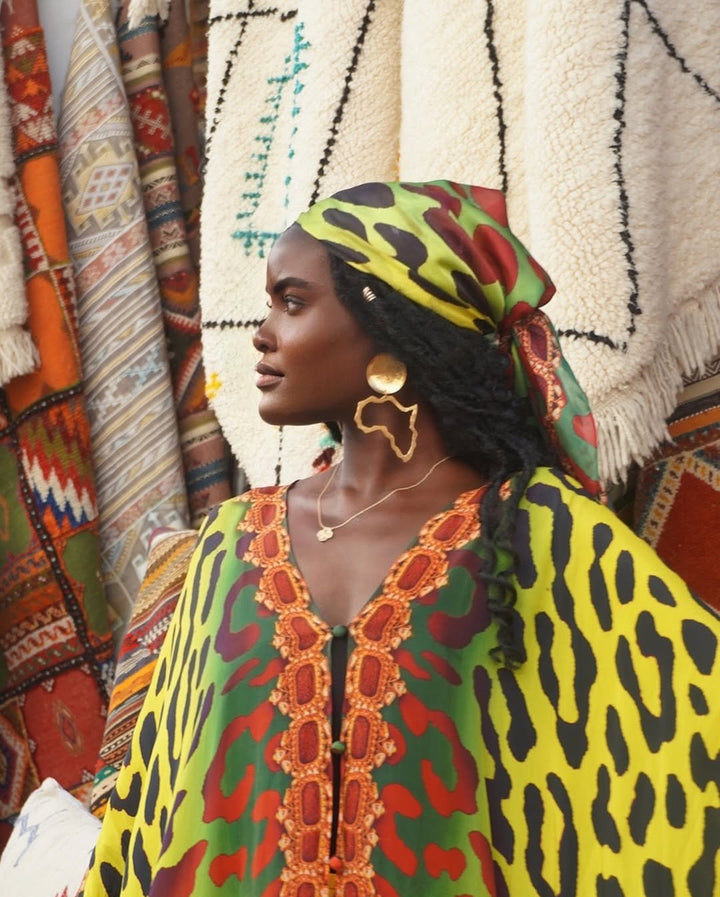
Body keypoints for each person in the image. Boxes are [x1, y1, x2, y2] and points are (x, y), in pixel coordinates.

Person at [78, 181, 720, 897]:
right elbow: (158, 812)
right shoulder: (227, 544)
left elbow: (685, 739)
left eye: (292, 301)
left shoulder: (543, 530)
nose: (262, 332)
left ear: (391, 329)